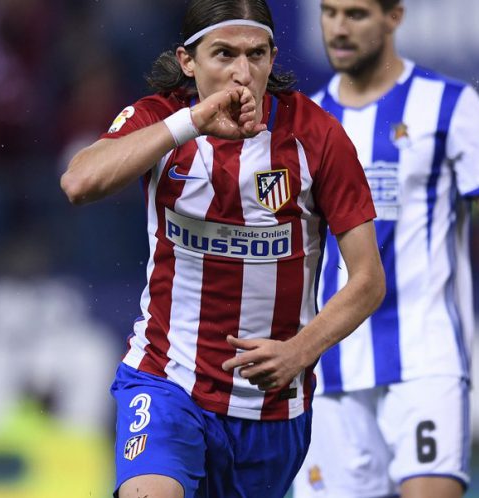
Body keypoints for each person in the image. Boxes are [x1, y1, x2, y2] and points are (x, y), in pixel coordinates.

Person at [60, 1, 386, 497]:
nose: (242, 72)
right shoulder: (161, 119)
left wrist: (300, 351)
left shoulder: (317, 137)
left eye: (256, 54)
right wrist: (192, 121)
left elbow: (368, 280)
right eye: (224, 54)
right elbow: (79, 182)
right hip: (167, 381)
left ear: (273, 57)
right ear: (188, 61)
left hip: (271, 409)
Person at [292, 1, 479, 497]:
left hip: (426, 358)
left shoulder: (449, 105)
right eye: (329, 12)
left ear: (394, 17)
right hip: (330, 366)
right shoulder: (308, 122)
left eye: (356, 14)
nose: (339, 28)